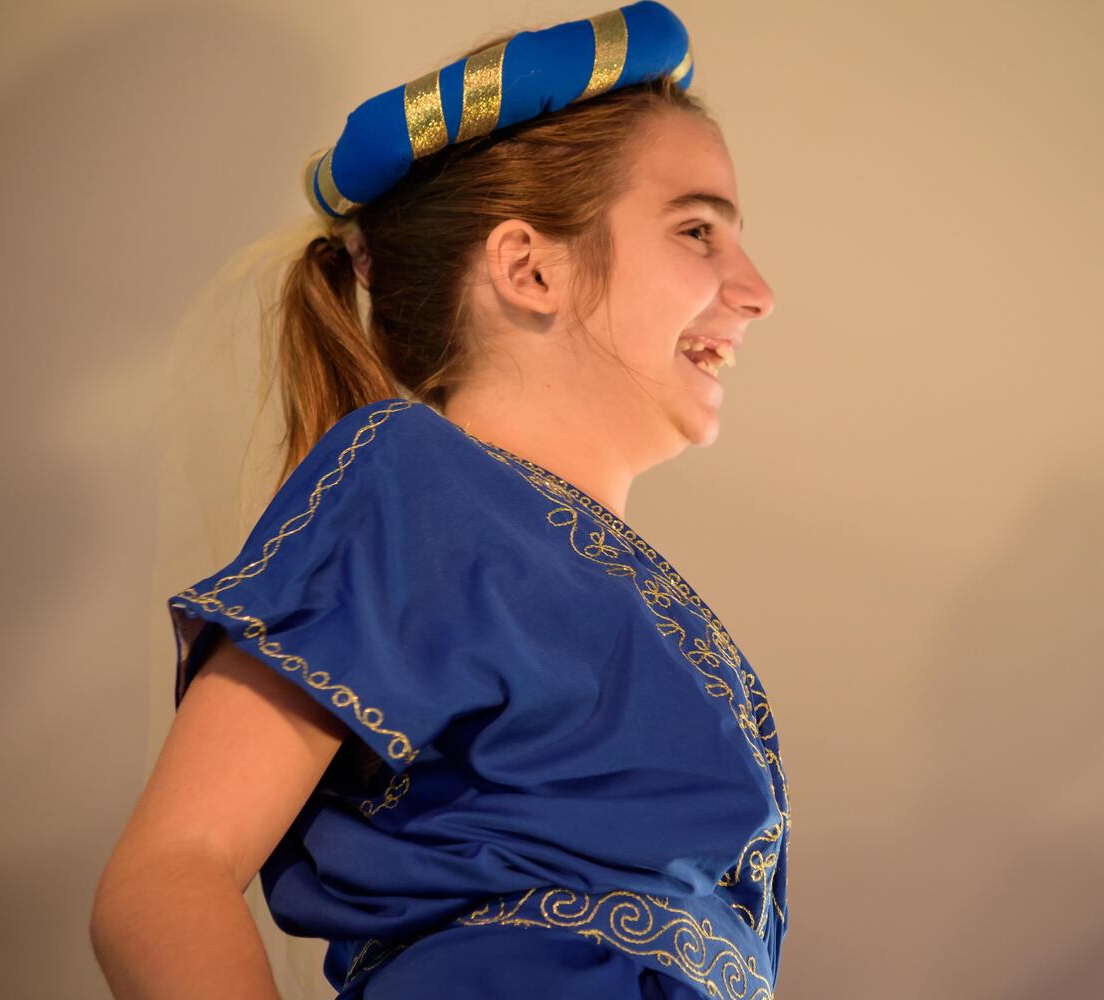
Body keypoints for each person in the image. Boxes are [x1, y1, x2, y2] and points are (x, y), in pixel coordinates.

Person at [90, 3, 789, 997]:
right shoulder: (410, 479)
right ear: (529, 267)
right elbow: (168, 873)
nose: (757, 290)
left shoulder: (634, 602)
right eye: (696, 231)